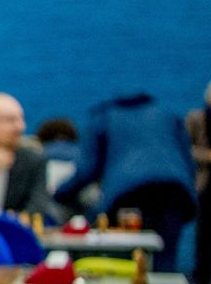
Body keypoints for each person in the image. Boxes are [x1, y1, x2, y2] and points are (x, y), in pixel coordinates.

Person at [55, 92, 196, 272]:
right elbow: (188, 163)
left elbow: (87, 170)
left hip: (127, 193)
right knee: (165, 257)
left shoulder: (103, 117)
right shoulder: (166, 113)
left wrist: (59, 193)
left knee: (122, 255)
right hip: (174, 190)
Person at [0, 92, 57, 220]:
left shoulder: (33, 160)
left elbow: (38, 207)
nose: (20, 127)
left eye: (21, 119)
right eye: (10, 120)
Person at [187, 83, 211, 284]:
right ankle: (201, 275)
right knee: (203, 231)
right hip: (205, 182)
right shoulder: (196, 119)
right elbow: (186, 148)